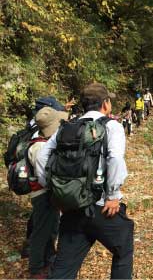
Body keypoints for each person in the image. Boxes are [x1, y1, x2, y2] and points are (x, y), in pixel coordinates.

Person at [36, 82, 134, 279]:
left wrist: (56, 191)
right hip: (101, 207)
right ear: (105, 104)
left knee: (63, 267)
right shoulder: (111, 126)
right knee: (123, 249)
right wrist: (113, 195)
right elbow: (114, 158)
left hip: (72, 208)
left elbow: (41, 157)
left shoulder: (66, 127)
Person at [26, 107, 68, 279]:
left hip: (47, 194)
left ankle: (48, 260)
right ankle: (36, 268)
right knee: (41, 232)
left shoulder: (42, 143)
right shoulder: (38, 147)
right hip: (42, 195)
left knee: (51, 229)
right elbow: (43, 175)